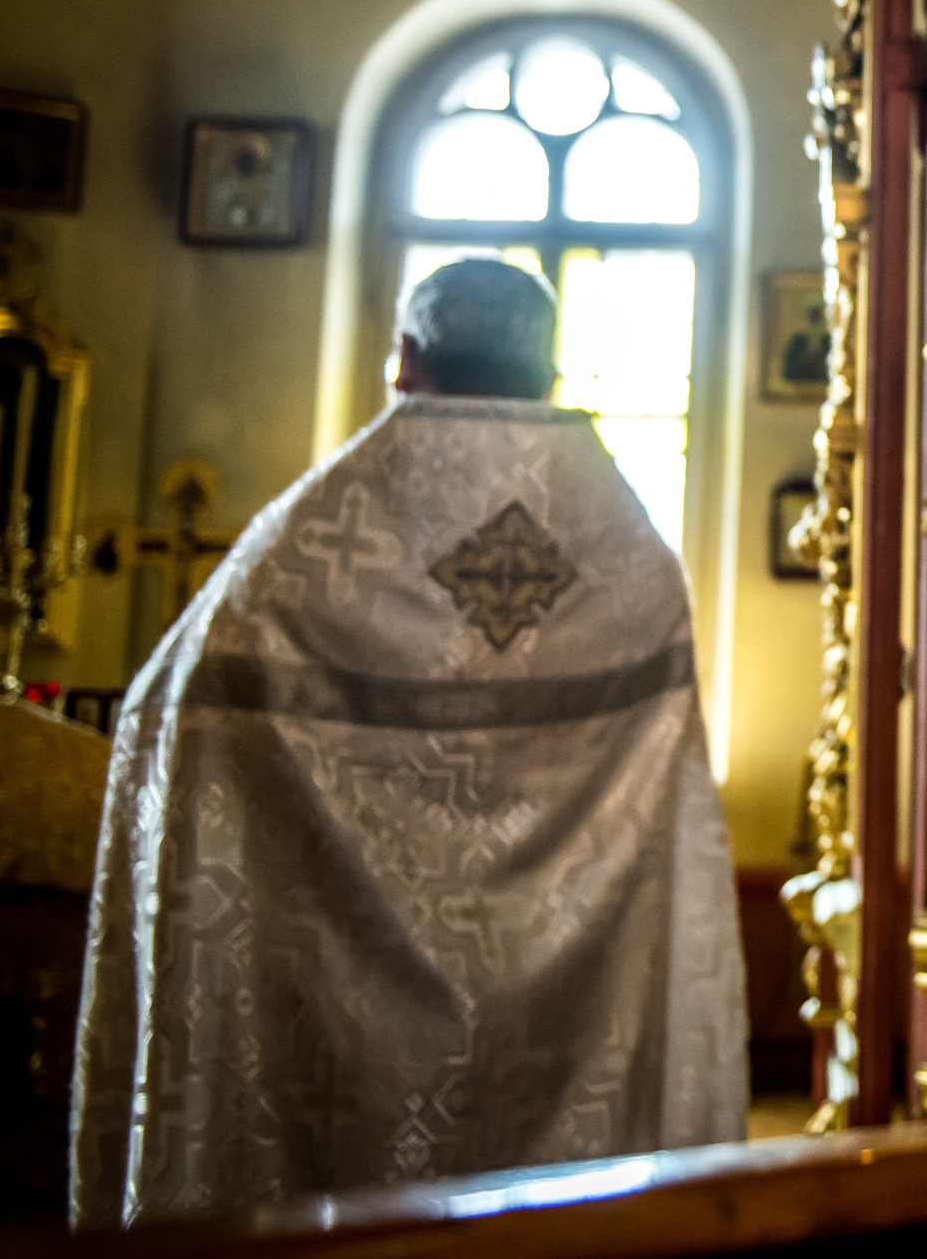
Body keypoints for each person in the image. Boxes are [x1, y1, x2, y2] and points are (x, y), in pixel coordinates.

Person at [70, 260, 746, 1228]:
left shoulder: (318, 539)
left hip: (338, 1036)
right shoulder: (627, 550)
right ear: (549, 371)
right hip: (570, 1023)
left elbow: (170, 715)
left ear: (407, 359)